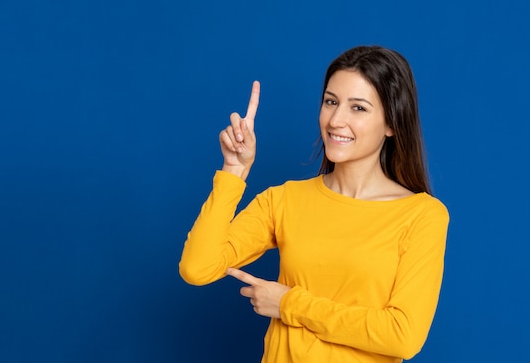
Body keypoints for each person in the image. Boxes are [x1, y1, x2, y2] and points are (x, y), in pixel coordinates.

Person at [179, 45, 449, 362]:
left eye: (358, 108)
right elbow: (196, 268)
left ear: (391, 123)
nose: (336, 120)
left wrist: (289, 305)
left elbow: (403, 336)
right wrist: (233, 172)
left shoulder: (422, 215)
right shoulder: (284, 200)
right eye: (331, 102)